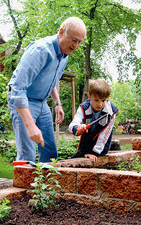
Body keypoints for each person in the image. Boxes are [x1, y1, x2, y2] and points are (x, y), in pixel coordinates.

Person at [7, 17, 86, 163]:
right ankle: (27, 185)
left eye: (80, 42)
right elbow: (17, 88)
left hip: (42, 103)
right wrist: (30, 126)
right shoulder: (40, 50)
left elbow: (51, 80)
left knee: (50, 153)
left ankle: (48, 186)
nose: (76, 45)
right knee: (27, 157)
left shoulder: (65, 55)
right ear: (61, 31)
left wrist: (57, 103)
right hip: (24, 101)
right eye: (74, 40)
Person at [68, 79, 118, 162]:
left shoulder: (111, 111)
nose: (100, 104)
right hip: (86, 144)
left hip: (101, 147)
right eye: (96, 100)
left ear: (108, 98)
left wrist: (94, 153)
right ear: (89, 96)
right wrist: (78, 128)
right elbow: (71, 126)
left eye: (103, 100)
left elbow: (105, 135)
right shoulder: (83, 108)